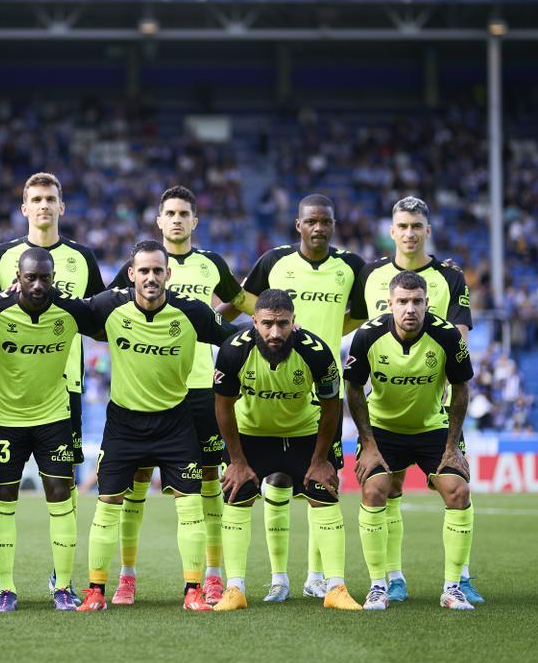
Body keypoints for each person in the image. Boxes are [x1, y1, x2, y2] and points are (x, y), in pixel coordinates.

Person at [217, 193, 365, 602]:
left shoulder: (350, 267)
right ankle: (266, 581)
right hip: (260, 417)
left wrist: (331, 331)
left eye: (326, 221)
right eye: (311, 221)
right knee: (261, 486)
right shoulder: (273, 264)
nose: (319, 228)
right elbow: (242, 299)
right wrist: (211, 321)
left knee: (323, 486)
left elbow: (366, 312)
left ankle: (325, 580)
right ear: (298, 224)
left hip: (315, 392)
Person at [75, 241, 236, 613]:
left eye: (157, 270)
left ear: (168, 274)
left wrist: (231, 374)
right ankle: (97, 590)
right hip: (124, 423)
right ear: (131, 275)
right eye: (143, 271)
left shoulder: (191, 312)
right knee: (108, 504)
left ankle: (193, 589)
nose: (150, 277)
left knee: (191, 504)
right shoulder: (109, 306)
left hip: (175, 422)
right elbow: (65, 309)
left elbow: (233, 338)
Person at [106, 185, 245, 604]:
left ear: (194, 221)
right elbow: (114, 306)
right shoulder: (140, 263)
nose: (178, 219)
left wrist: (211, 322)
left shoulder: (210, 264)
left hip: (202, 388)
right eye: (171, 213)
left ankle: (212, 576)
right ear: (160, 221)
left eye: (185, 213)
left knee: (207, 484)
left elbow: (237, 302)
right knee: (135, 482)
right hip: (151, 390)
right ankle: (127, 576)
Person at [348, 195, 480, 604]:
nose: (409, 233)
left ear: (427, 230)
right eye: (402, 226)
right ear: (392, 231)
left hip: (431, 404)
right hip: (384, 407)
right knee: (385, 488)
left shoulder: (449, 276)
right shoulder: (369, 275)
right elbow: (351, 324)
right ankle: (390, 577)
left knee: (456, 484)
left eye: (416, 226)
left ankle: (460, 578)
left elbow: (458, 347)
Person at [0, 172, 104, 601]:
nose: (44, 205)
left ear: (62, 207)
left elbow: (98, 315)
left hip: (65, 388)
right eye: (35, 198)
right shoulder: (0, 256)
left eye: (51, 198)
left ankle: (61, 577)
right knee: (4, 489)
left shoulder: (82, 257)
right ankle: (0, 578)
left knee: (62, 489)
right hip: (12, 389)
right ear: (24, 207)